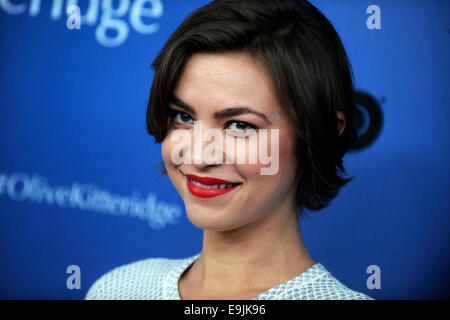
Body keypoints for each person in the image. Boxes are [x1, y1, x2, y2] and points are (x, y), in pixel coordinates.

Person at [85, 0, 372, 300]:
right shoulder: (117, 289)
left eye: (239, 126)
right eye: (183, 117)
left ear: (320, 134)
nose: (197, 156)